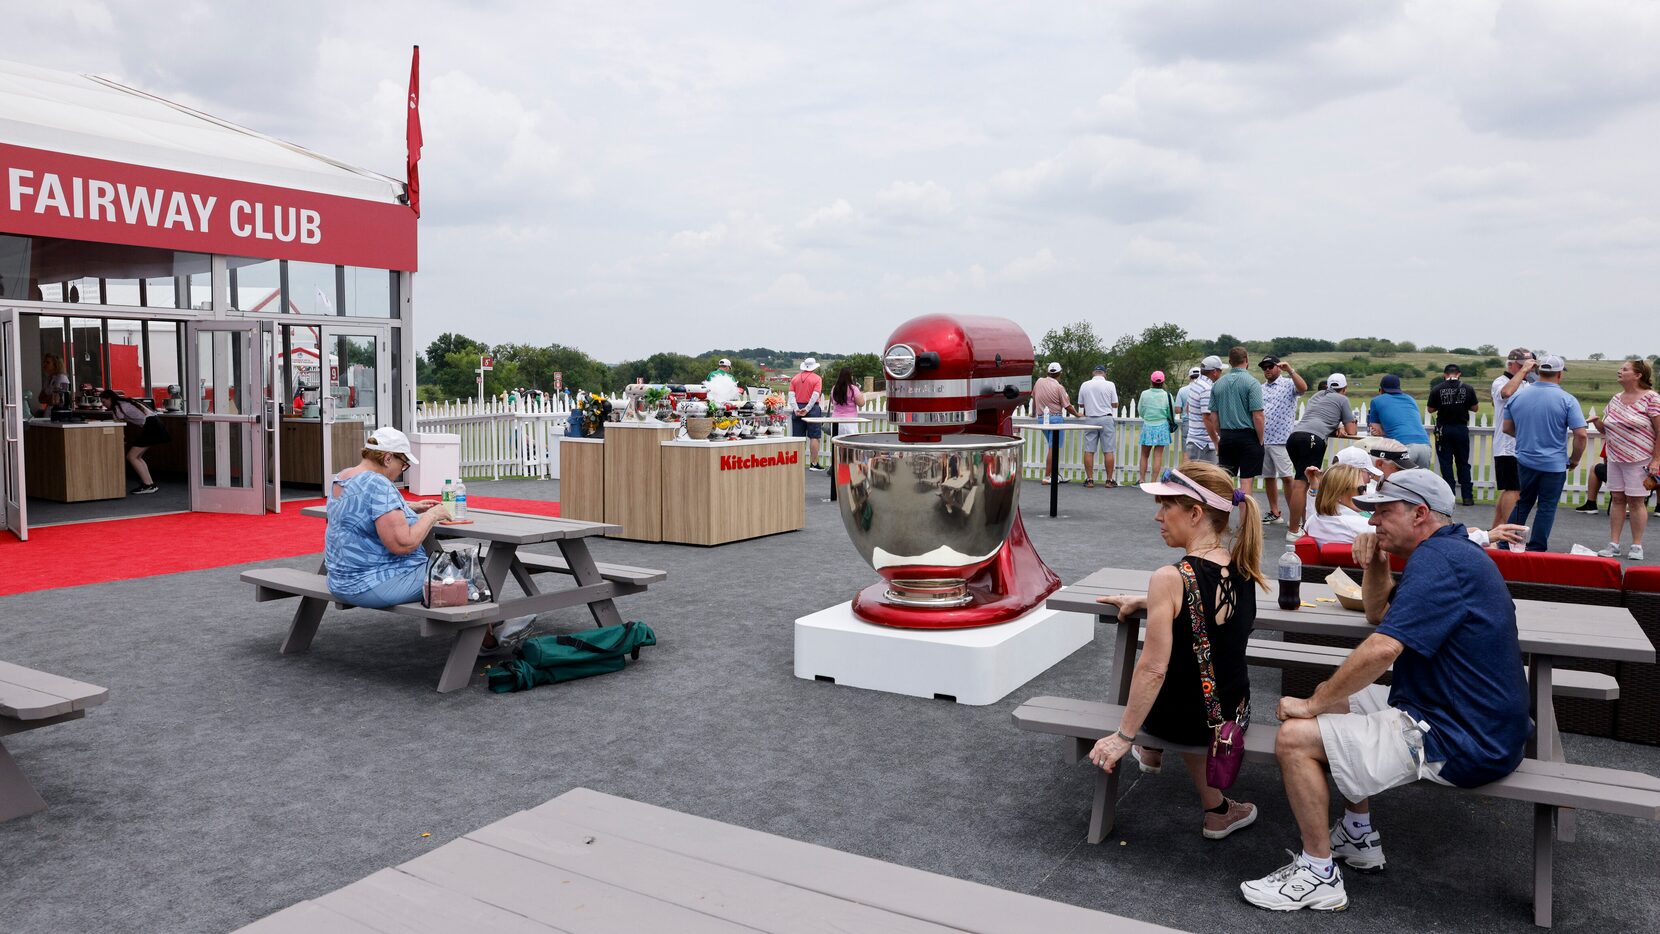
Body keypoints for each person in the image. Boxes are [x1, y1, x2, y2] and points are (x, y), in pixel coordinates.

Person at [1241, 469, 1530, 912]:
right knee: (1337, 697)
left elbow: (1382, 648)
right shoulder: (1448, 552)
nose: (1372, 522)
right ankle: (1357, 835)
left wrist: (1311, 703)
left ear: (1420, 513)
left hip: (1464, 739)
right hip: (1474, 721)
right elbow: (1378, 613)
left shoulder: (1440, 561)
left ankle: (1318, 874)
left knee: (1295, 735)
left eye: (1382, 511)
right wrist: (1376, 563)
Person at [1088, 461, 1266, 840]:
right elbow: (1210, 611)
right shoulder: (1245, 567)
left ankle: (1149, 751)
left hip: (1183, 722)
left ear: (1196, 513)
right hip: (1234, 714)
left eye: (1167, 506)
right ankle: (1215, 809)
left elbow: (1152, 669)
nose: (1158, 516)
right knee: (1198, 665)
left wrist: (1123, 736)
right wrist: (1149, 602)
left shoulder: (1169, 578)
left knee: (1165, 679)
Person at [323, 429, 452, 609]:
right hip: (372, 583)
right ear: (388, 458)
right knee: (458, 574)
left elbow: (359, 506)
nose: (401, 470)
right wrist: (433, 515)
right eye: (403, 464)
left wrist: (404, 507)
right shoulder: (378, 484)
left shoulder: (343, 476)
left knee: (446, 567)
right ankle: (491, 632)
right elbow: (403, 545)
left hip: (339, 581)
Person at [1504, 355, 1587, 553]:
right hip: (1554, 463)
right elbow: (1581, 435)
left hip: (1525, 458)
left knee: (1523, 502)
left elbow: (1507, 428)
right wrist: (1574, 460)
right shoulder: (1567, 399)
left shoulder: (1518, 396)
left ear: (1539, 372)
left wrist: (1526, 436)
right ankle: (1536, 547)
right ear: (1560, 374)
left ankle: (1506, 542)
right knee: (1547, 507)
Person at [1589, 359, 1660, 560]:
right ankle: (1614, 544)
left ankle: (1637, 545)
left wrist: (1656, 460)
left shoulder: (1651, 398)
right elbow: (1607, 429)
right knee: (1618, 499)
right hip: (1615, 458)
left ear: (1638, 375)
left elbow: (1659, 430)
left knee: (1637, 501)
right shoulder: (1615, 399)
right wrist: (1598, 423)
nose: (1620, 372)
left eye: (1625, 369)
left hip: (1640, 459)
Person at [1284, 373, 1358, 541]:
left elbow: (1319, 417)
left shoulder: (1317, 395)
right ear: (1344, 389)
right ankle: (1293, 530)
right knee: (1301, 484)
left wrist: (1334, 425)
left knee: (1304, 482)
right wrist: (1340, 426)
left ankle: (1303, 525)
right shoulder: (1342, 399)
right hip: (1312, 439)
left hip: (1295, 437)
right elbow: (1352, 430)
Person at [1490, 349, 1536, 530]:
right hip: (1506, 445)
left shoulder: (1527, 384)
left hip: (1521, 444)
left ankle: (1495, 530)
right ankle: (1510, 531)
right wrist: (1523, 371)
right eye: (1521, 365)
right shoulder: (1500, 382)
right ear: (1511, 364)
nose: (1526, 369)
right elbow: (1507, 392)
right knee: (1514, 490)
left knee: (1510, 489)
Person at [1258, 356, 1307, 524]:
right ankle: (1274, 512)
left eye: (1270, 366)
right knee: (1269, 477)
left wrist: (1290, 370)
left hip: (1282, 440)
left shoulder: (1288, 383)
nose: (1267, 370)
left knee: (1287, 477)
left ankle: (1296, 517)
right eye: (1264, 367)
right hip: (1264, 439)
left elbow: (1303, 388)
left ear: (1278, 367)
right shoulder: (1260, 388)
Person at [1209, 347, 1265, 491]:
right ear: (1246, 360)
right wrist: (1260, 439)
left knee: (1225, 480)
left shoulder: (1218, 384)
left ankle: (1223, 513)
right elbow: (1257, 415)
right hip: (1248, 436)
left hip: (1227, 435)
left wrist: (1221, 433)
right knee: (1246, 482)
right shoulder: (1252, 383)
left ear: (1230, 362)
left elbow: (1213, 416)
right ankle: (1245, 514)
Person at [1427, 363, 1480, 506]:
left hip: (1444, 429)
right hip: (1461, 428)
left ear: (1444, 374)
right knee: (1463, 463)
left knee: (1446, 463)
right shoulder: (1467, 388)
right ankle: (1467, 497)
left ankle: (1450, 497)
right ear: (1459, 374)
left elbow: (1430, 409)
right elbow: (1475, 408)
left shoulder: (1437, 389)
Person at [100, 389, 168, 495]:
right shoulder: (125, 403)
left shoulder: (118, 407)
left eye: (104, 402)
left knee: (132, 456)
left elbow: (118, 427)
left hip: (151, 426)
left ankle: (148, 485)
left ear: (109, 399)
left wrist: (121, 441)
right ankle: (149, 484)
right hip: (155, 424)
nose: (104, 405)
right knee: (137, 457)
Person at [1366, 374, 1433, 470]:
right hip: (1425, 445)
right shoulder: (1410, 399)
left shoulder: (1376, 401)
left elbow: (1377, 431)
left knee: (1397, 482)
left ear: (1381, 390)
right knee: (1420, 482)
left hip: (1403, 446)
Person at [1301, 463, 1377, 546]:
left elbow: (1311, 516)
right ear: (1339, 494)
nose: (1365, 494)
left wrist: (1314, 487)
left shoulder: (1312, 522)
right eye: (1361, 489)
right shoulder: (1365, 526)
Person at [1032, 362, 1079, 485]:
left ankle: (1053, 475)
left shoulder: (1039, 382)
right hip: (1055, 419)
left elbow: (1034, 399)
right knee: (1053, 449)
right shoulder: (1059, 387)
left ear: (1048, 372)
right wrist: (1078, 414)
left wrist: (1033, 413)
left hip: (1042, 419)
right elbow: (1067, 405)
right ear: (1059, 373)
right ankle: (1047, 477)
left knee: (1051, 447)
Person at [1078, 364, 1120, 488]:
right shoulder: (1110, 384)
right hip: (1106, 418)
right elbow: (1115, 404)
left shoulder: (1085, 385)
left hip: (1091, 418)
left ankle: (1090, 479)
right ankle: (1109, 480)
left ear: (1093, 373)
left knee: (1089, 450)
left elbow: (1081, 405)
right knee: (1108, 450)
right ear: (1104, 373)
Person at [1137, 371, 1178, 484]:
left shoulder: (1144, 394)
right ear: (1163, 382)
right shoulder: (1167, 395)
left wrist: (1147, 416)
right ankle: (1154, 481)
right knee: (1158, 455)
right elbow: (1171, 413)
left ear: (1152, 381)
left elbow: (1140, 410)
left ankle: (1142, 479)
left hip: (1148, 425)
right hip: (1162, 426)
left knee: (1144, 454)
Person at [1184, 356, 1223, 465]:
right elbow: (1207, 418)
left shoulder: (1196, 384)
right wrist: (1216, 442)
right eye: (1220, 370)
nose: (1221, 374)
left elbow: (1188, 409)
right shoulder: (1207, 389)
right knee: (1208, 479)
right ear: (1214, 372)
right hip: (1204, 444)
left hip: (1193, 439)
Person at [790, 357, 825, 470]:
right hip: (812, 409)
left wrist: (796, 409)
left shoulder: (795, 379)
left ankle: (797, 463)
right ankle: (814, 463)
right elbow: (815, 395)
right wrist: (807, 408)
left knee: (798, 437)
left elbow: (791, 396)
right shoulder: (817, 379)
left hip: (798, 407)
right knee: (814, 436)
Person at [828, 365, 864, 437]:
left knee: (836, 444)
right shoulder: (853, 389)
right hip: (850, 422)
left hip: (836, 421)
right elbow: (861, 403)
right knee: (850, 445)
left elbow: (833, 402)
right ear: (850, 376)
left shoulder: (834, 388)